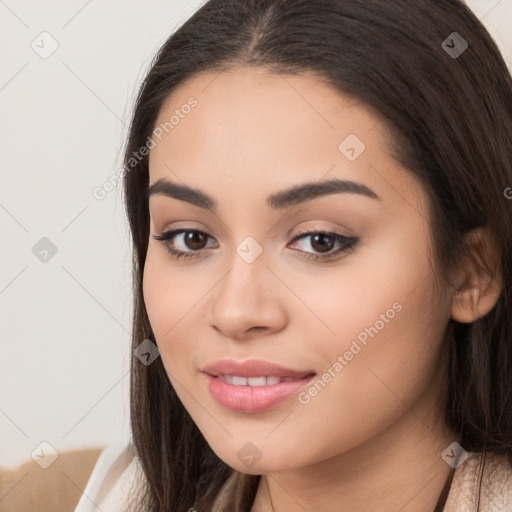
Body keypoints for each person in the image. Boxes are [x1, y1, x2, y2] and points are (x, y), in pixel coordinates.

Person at [75, 0, 512, 510]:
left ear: (472, 271)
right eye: (191, 238)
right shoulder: (115, 494)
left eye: (319, 240)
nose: (235, 311)